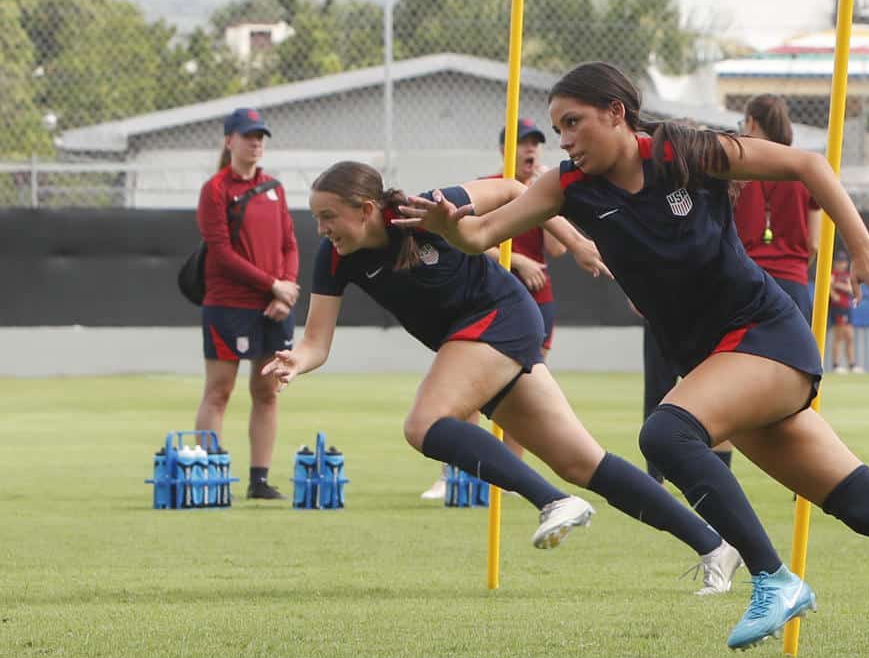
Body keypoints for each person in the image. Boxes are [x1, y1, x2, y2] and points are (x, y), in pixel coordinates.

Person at [400, 61, 869, 658]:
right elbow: (483, 233)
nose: (565, 140)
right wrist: (444, 226)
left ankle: (773, 579)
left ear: (616, 113)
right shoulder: (568, 187)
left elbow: (809, 167)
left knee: (665, 432)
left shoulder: (686, 153)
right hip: (718, 361)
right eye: (556, 128)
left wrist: (858, 247)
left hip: (766, 337)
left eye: (574, 124)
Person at [266, 161, 742, 594]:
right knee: (584, 462)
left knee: (423, 423)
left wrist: (576, 242)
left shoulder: (425, 207)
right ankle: (714, 545)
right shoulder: (334, 257)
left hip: (502, 316)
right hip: (477, 339)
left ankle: (553, 501)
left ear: (366, 208)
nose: (321, 228)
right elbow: (316, 343)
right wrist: (295, 361)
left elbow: (516, 187)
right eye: (316, 218)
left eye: (328, 216)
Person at [421, 118, 608, 501]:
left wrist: (555, 207)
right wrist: (518, 261)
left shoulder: (547, 190)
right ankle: (454, 477)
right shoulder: (485, 187)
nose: (531, 151)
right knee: (468, 390)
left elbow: (555, 251)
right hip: (484, 300)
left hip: (535, 302)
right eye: (523, 143)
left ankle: (507, 481)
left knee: (521, 393)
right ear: (506, 148)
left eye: (536, 144)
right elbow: (464, 237)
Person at [195, 107, 300, 500]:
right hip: (229, 305)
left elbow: (289, 242)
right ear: (229, 141)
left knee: (267, 391)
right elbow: (220, 253)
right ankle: (206, 475)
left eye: (260, 136)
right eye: (247, 136)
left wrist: (286, 289)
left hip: (276, 306)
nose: (256, 142)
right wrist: (273, 284)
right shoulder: (216, 190)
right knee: (219, 391)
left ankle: (259, 480)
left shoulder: (274, 186)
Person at [732, 93, 820, 321]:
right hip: (793, 283)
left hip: (745, 282)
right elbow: (814, 243)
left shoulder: (735, 171)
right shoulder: (804, 170)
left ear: (751, 122)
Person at [827, 249, 858, 372]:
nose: (841, 264)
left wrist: (839, 286)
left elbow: (851, 290)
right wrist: (834, 292)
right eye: (839, 262)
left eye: (843, 262)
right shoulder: (833, 274)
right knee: (838, 336)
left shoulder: (847, 276)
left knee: (850, 336)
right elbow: (829, 286)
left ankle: (852, 364)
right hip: (837, 308)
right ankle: (836, 365)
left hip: (847, 307)